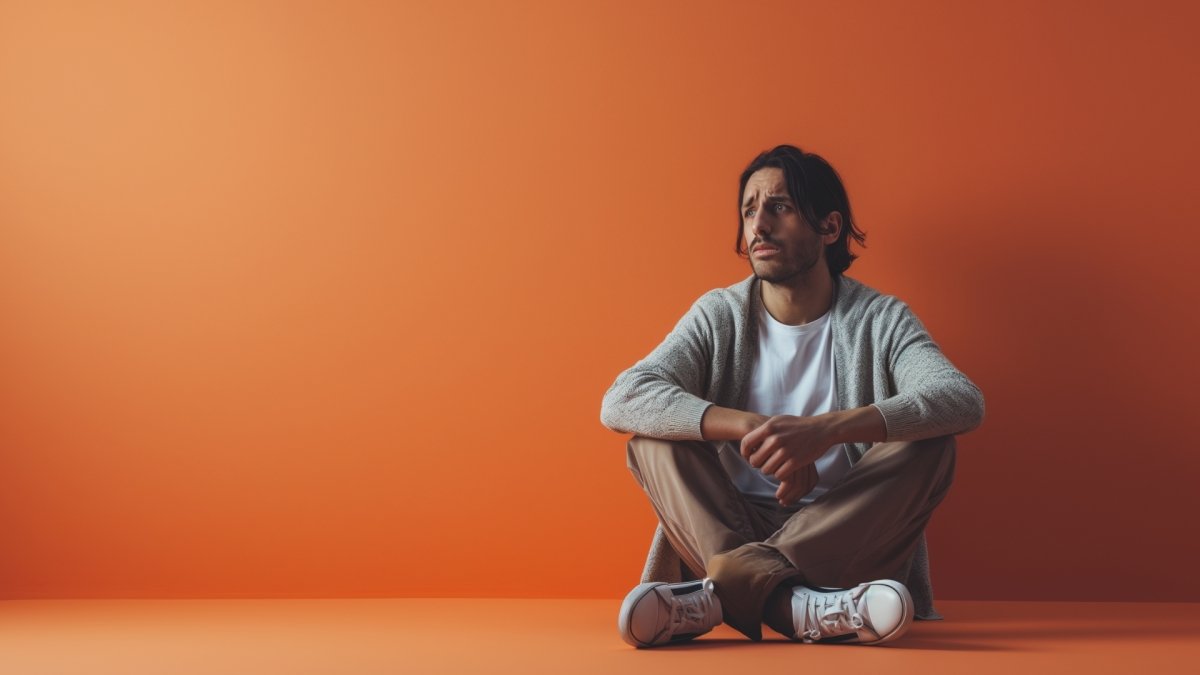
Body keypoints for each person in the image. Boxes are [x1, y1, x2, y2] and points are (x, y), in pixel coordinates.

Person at [600, 144, 984, 648]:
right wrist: (750, 426)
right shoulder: (720, 315)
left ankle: (718, 597)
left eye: (778, 207)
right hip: (731, 525)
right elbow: (623, 398)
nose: (758, 225)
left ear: (829, 228)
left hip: (843, 532)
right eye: (749, 209)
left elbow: (960, 398)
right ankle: (799, 607)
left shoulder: (881, 319)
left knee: (931, 444)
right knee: (653, 441)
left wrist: (823, 432)